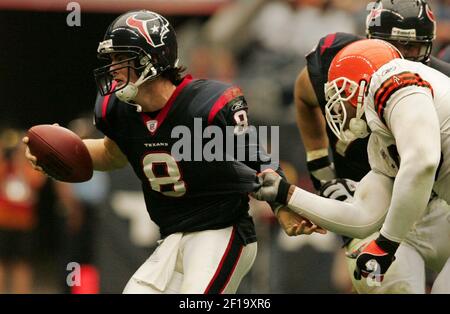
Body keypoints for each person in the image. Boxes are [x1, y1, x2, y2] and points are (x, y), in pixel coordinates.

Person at [23, 10, 312, 294]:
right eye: (111, 59)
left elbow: (258, 159)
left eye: (121, 58)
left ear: (151, 59)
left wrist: (282, 207)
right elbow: (113, 154)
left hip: (222, 231)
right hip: (173, 236)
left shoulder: (206, 104)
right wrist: (59, 154)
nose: (112, 68)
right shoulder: (119, 110)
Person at [254, 38, 450, 293]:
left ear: (363, 84)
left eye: (342, 92)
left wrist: (386, 244)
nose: (337, 104)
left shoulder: (394, 81)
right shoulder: (380, 141)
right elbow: (363, 216)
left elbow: (422, 163)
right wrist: (286, 194)